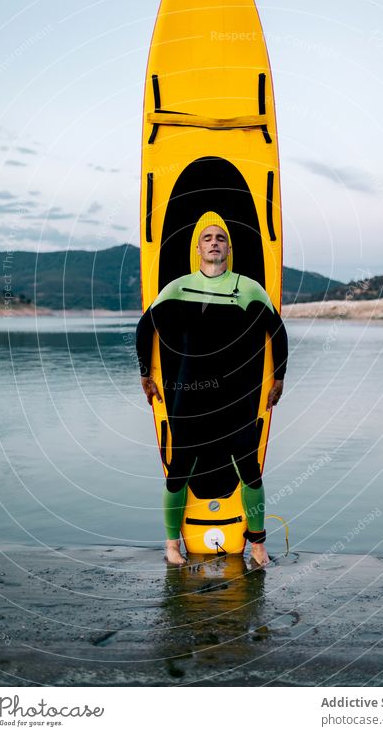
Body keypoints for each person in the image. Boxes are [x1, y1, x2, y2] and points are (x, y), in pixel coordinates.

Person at [136, 224, 288, 566]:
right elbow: (146, 327)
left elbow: (277, 332)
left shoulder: (248, 289)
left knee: (250, 470)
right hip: (189, 396)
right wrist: (145, 374)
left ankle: (258, 545)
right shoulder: (178, 288)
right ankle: (172, 545)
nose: (214, 243)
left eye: (221, 239)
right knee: (178, 470)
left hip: (236, 396)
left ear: (229, 250)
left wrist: (279, 378)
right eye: (208, 238)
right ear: (198, 249)